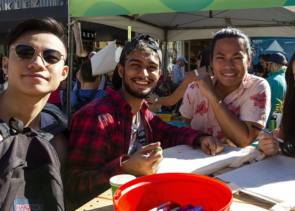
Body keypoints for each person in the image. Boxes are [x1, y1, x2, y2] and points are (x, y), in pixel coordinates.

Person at [65, 34, 224, 205]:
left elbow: (170, 133)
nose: (144, 74)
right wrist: (125, 168)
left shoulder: (142, 113)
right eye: (135, 65)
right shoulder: (96, 117)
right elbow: (74, 187)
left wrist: (200, 138)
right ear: (120, 70)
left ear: (159, 74)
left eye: (151, 67)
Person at [0, 17, 69, 166]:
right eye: (24, 52)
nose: (38, 64)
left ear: (63, 74)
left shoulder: (58, 134)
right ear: (6, 65)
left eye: (51, 57)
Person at [180, 28, 271, 147]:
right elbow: (188, 124)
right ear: (211, 61)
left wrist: (212, 95)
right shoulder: (195, 89)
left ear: (248, 60)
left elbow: (244, 140)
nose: (229, 66)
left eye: (237, 58)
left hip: (239, 165)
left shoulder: (257, 87)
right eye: (221, 58)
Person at [146, 49, 213, 107]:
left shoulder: (194, 74)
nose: (196, 63)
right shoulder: (218, 74)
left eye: (197, 61)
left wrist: (156, 99)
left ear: (201, 58)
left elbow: (171, 101)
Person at [265, 52, 287, 129]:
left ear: (272, 64)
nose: (267, 66)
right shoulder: (288, 79)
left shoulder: (269, 80)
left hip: (269, 123)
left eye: (268, 64)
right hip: (283, 122)